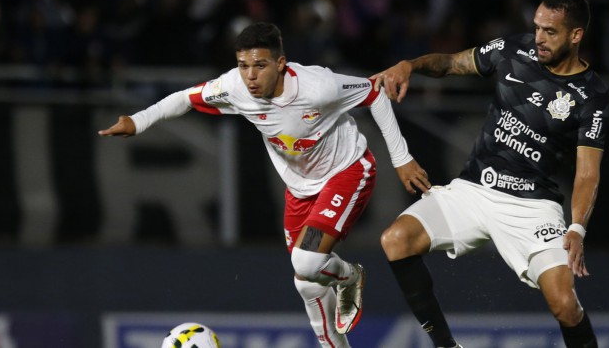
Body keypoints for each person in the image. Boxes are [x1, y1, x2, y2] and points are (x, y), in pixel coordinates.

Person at [99, 22, 431, 348]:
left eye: (260, 65)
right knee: (306, 284)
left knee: (307, 263)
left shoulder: (318, 87)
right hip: (300, 189)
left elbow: (374, 92)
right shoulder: (235, 88)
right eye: (243, 65)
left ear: (280, 64)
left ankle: (349, 276)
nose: (250, 75)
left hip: (346, 172)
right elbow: (186, 97)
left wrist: (401, 157)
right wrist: (137, 121)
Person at [372, 0, 609, 348]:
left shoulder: (590, 96)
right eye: (537, 27)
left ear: (576, 35)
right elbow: (452, 63)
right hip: (473, 189)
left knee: (564, 305)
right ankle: (446, 346)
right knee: (396, 240)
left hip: (532, 207)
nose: (539, 38)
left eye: (550, 31)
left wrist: (576, 227)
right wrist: (410, 66)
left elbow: (588, 172)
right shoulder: (513, 50)